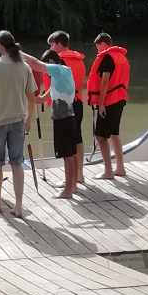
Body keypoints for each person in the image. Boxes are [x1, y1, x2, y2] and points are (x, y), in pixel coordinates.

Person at [0, 30, 37, 217]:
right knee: (17, 163)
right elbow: (32, 97)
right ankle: (19, 206)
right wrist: (29, 119)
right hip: (18, 121)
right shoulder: (24, 67)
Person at [41, 47, 80, 199]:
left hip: (63, 119)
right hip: (65, 118)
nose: (46, 72)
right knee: (69, 154)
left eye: (46, 66)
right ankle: (72, 186)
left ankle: (68, 191)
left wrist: (17, 53)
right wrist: (31, 97)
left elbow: (35, 64)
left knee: (68, 155)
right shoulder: (60, 74)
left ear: (51, 62)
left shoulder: (58, 71)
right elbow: (44, 98)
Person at [49, 31, 86, 185]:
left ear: (58, 43)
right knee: (77, 138)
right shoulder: (79, 60)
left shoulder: (59, 61)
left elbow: (54, 84)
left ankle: (69, 181)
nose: (50, 48)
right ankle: (79, 174)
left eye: (51, 44)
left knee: (66, 142)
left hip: (64, 105)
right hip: (78, 102)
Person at [92, 38, 131, 179]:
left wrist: (101, 103)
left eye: (97, 47)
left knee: (100, 136)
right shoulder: (122, 57)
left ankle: (108, 171)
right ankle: (120, 168)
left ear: (103, 44)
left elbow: (104, 81)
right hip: (121, 98)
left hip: (109, 101)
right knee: (114, 133)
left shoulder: (107, 58)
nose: (97, 50)